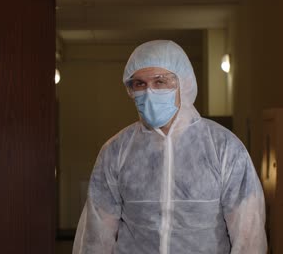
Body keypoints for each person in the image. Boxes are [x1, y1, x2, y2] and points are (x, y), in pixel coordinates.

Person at [72, 40, 267, 253]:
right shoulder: (116, 151)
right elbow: (96, 233)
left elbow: (249, 234)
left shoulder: (225, 148)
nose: (148, 92)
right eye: (139, 84)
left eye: (160, 82)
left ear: (183, 84)